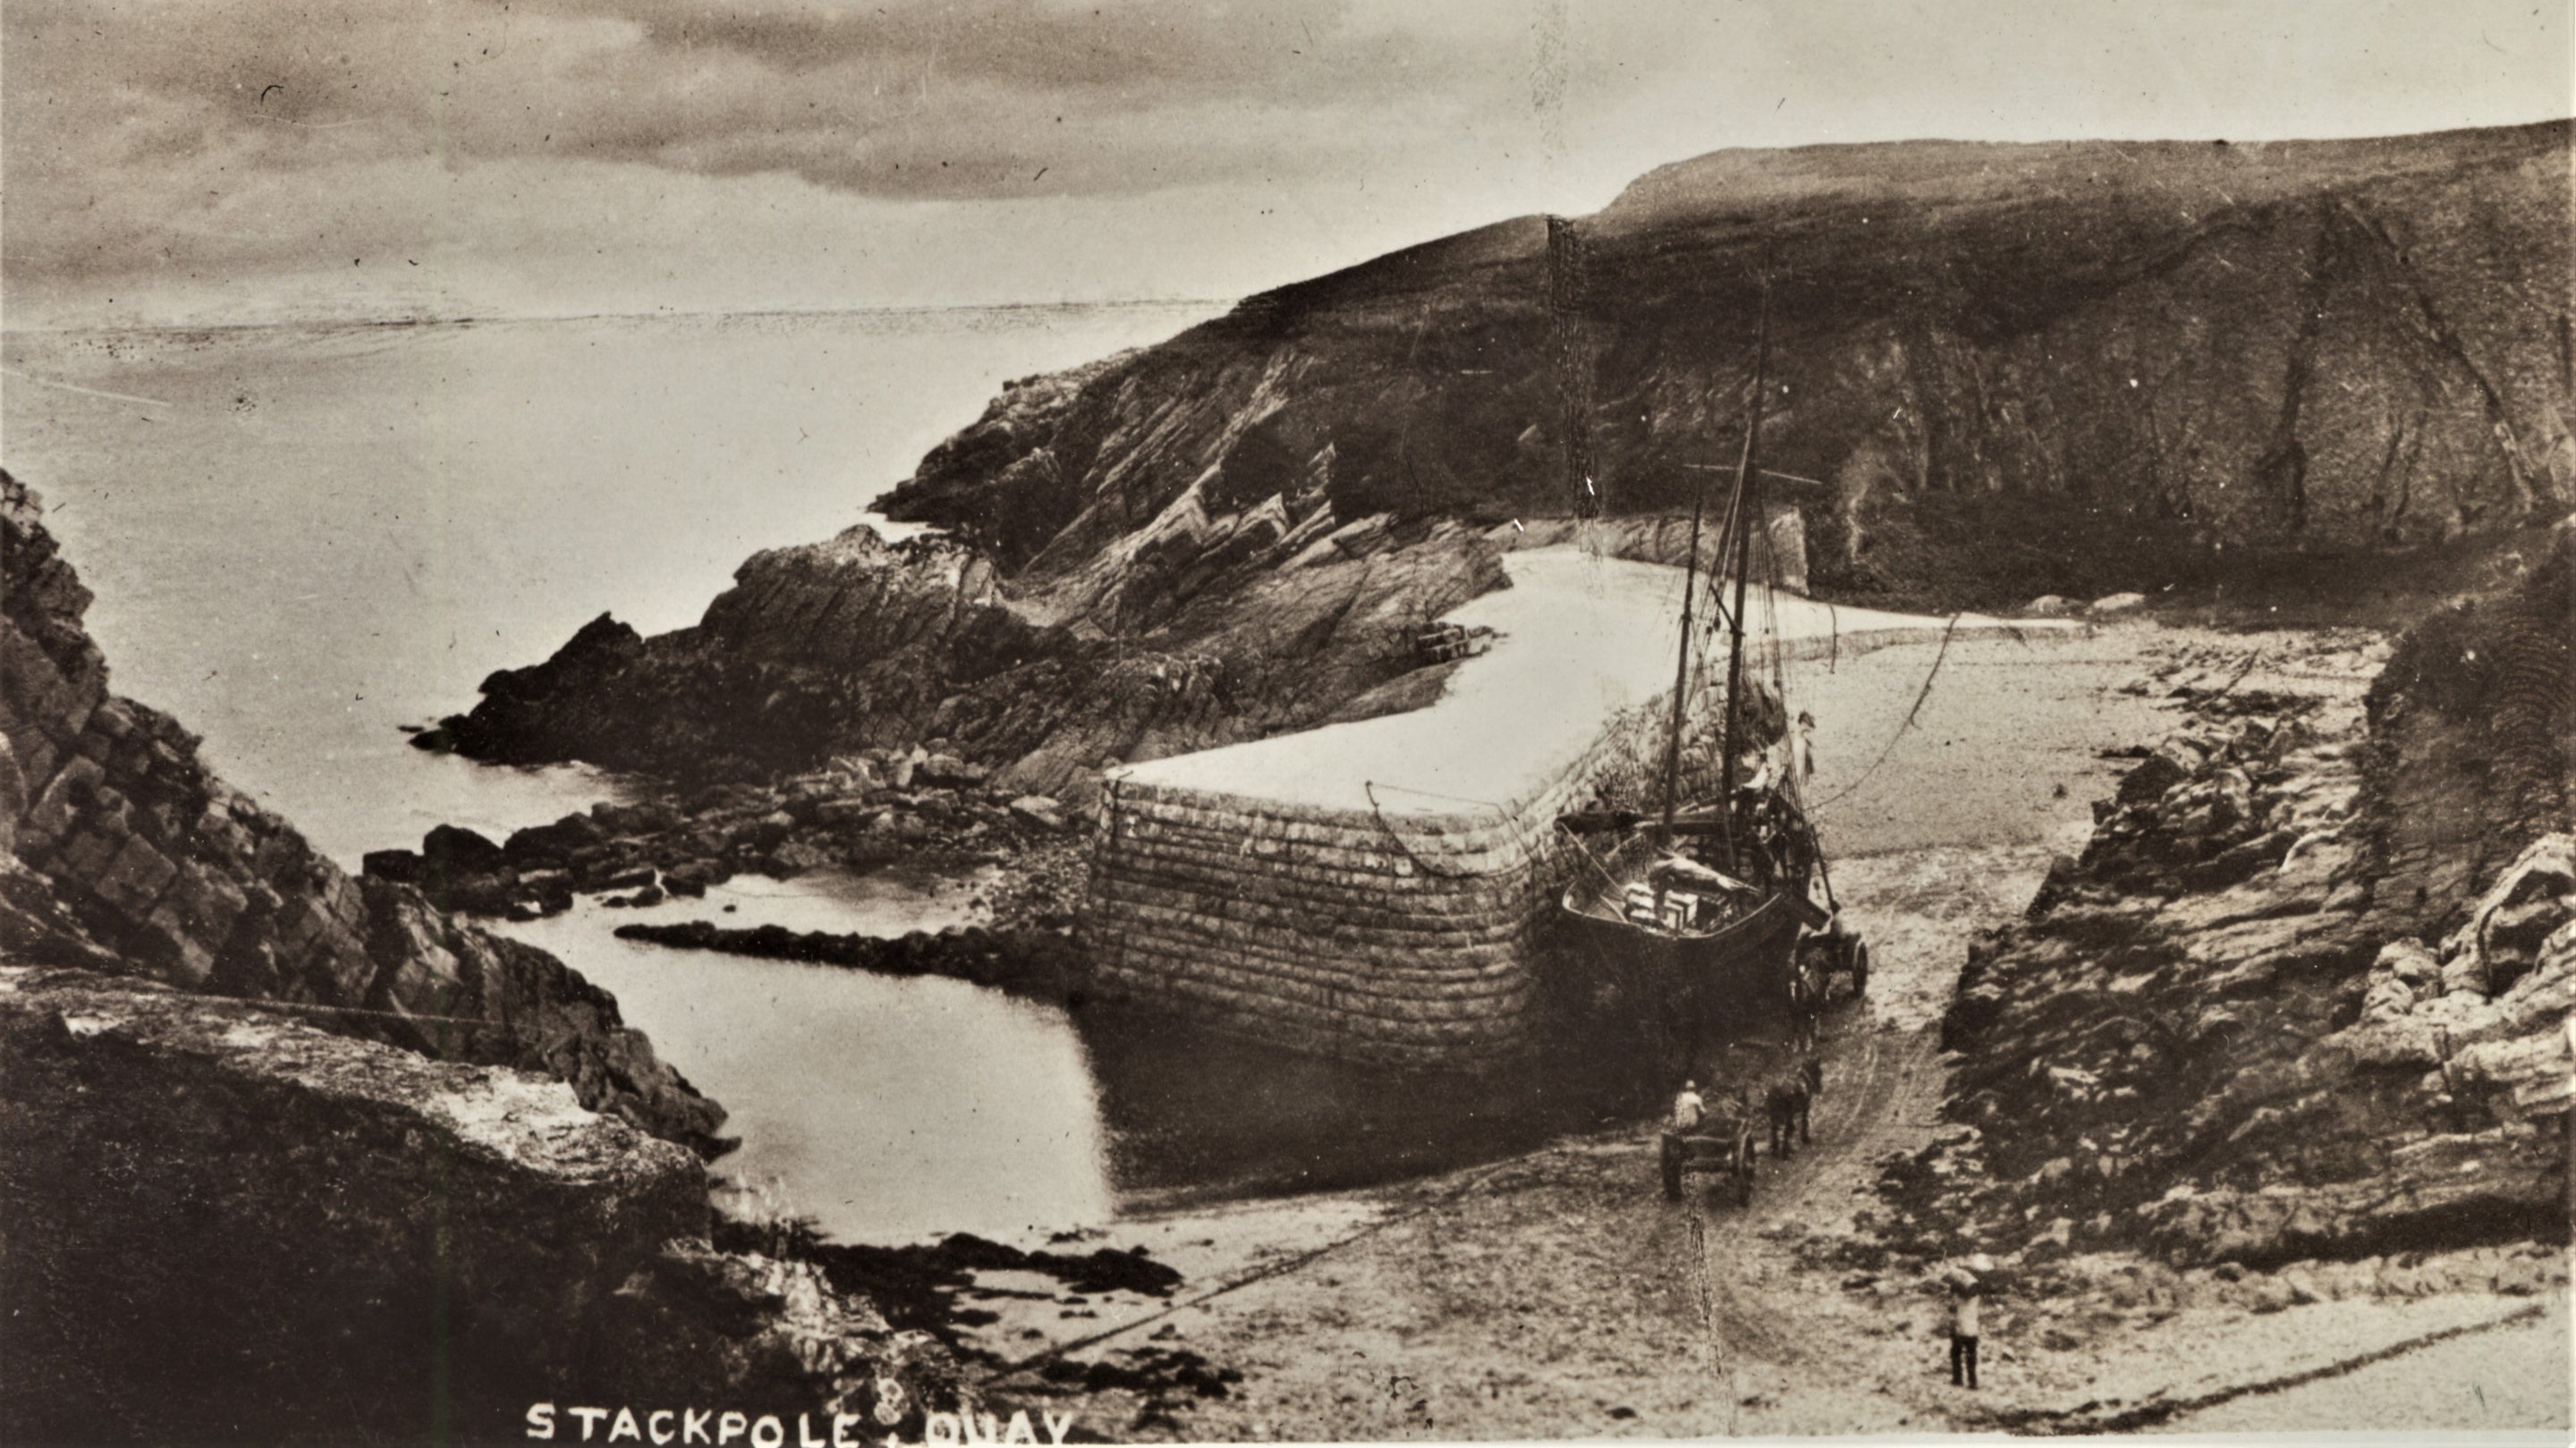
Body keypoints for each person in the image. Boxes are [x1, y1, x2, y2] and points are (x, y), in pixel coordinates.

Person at [1949, 1278, 1981, 1389]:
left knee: (1955, 1354)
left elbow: (1952, 1310)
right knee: (1971, 1357)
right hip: (1973, 1331)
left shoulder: (1957, 1299)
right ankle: (1973, 1382)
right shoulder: (1976, 1298)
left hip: (1960, 1330)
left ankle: (1957, 1379)